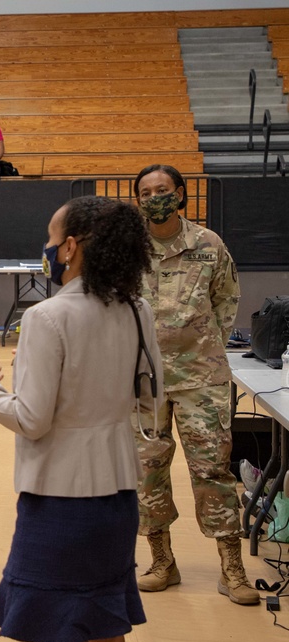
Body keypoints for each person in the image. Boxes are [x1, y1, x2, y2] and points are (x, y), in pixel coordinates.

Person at [0, 196, 162, 642]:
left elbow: (32, 420)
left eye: (53, 239)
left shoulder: (46, 316)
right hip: (118, 495)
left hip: (60, 500)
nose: (49, 247)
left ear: (71, 247)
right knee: (107, 631)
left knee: (61, 633)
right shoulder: (137, 309)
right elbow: (150, 395)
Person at [132, 164, 259, 605]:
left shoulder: (208, 244)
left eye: (162, 190)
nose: (154, 198)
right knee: (147, 473)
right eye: (146, 192)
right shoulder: (128, 248)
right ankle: (162, 562)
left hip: (200, 378)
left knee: (212, 471)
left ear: (180, 194)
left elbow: (228, 297)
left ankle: (232, 568)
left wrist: (210, 345)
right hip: (144, 381)